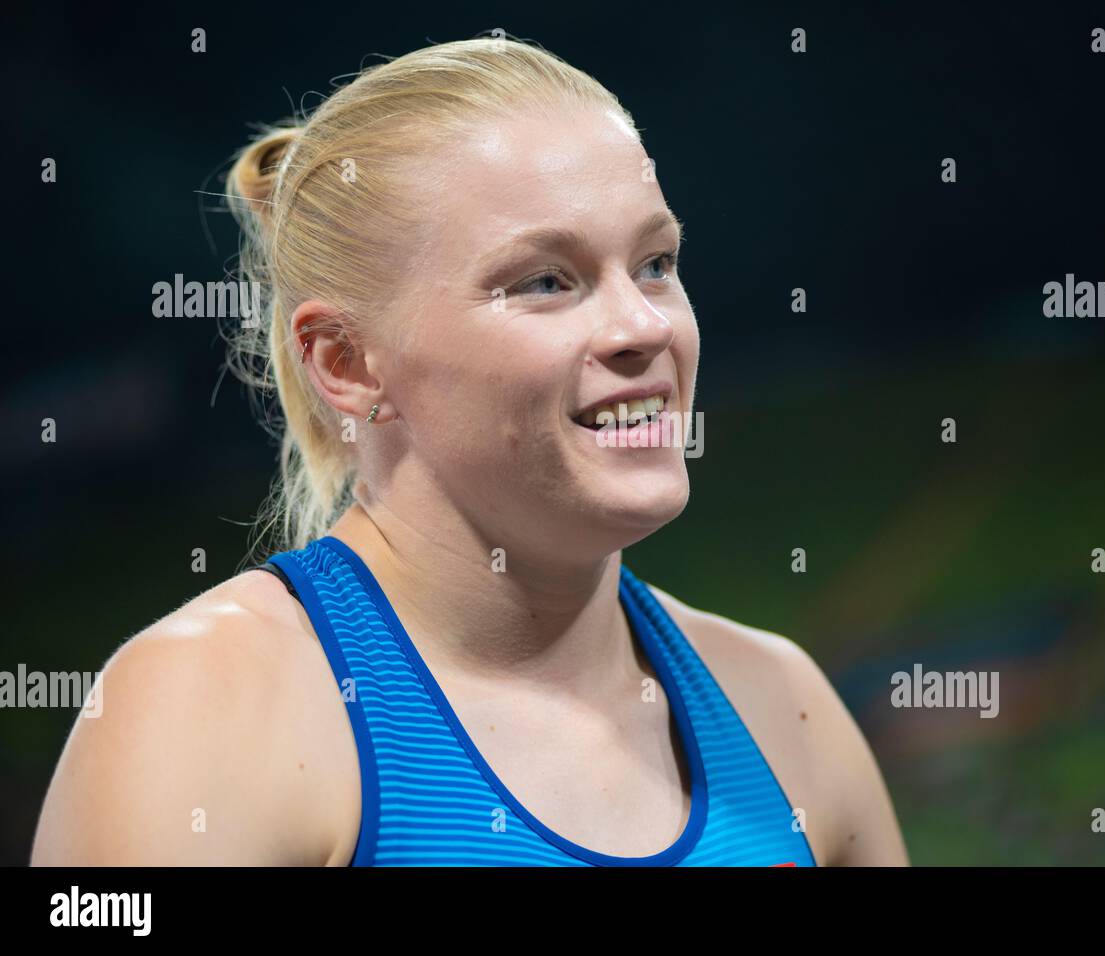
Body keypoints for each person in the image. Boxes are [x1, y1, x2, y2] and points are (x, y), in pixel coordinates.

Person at [31, 37, 907, 866]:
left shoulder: (784, 712)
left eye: (655, 263)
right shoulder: (204, 710)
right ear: (345, 361)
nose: (643, 326)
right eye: (544, 281)